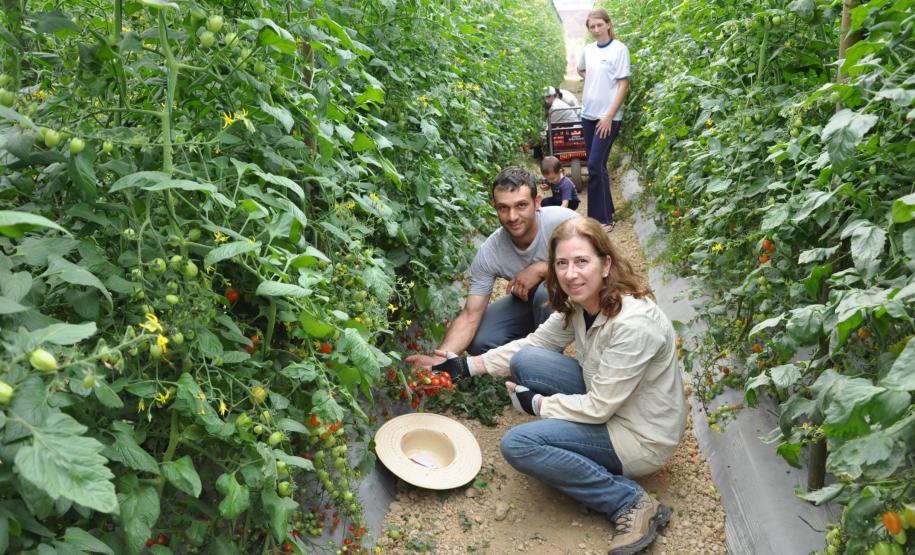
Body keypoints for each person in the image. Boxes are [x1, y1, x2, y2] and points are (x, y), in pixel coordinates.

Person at [433, 217, 686, 555]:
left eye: (582, 261)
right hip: (614, 401)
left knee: (519, 444)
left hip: (641, 434)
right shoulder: (580, 302)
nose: (571, 274)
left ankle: (629, 502)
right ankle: (575, 446)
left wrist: (539, 405)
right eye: (562, 263)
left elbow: (599, 408)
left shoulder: (633, 324)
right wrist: (464, 366)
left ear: (606, 264)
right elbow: (535, 343)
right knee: (528, 360)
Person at [406, 166, 580, 369]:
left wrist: (543, 268)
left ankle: (547, 366)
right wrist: (440, 361)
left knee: (545, 292)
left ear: (537, 202)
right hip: (527, 302)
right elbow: (470, 315)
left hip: (577, 301)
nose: (512, 216)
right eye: (503, 208)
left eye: (521, 205)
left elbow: (600, 267)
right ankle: (523, 359)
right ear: (495, 207)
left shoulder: (565, 223)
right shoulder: (491, 251)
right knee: (481, 340)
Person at [577, 8, 631, 233]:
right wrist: (595, 81)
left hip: (607, 117)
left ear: (608, 24)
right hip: (588, 115)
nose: (597, 29)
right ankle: (608, 210)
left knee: (593, 165)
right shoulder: (588, 51)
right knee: (598, 164)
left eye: (600, 25)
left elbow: (624, 85)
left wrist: (608, 115)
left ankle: (601, 220)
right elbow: (581, 70)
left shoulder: (619, 49)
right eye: (592, 26)